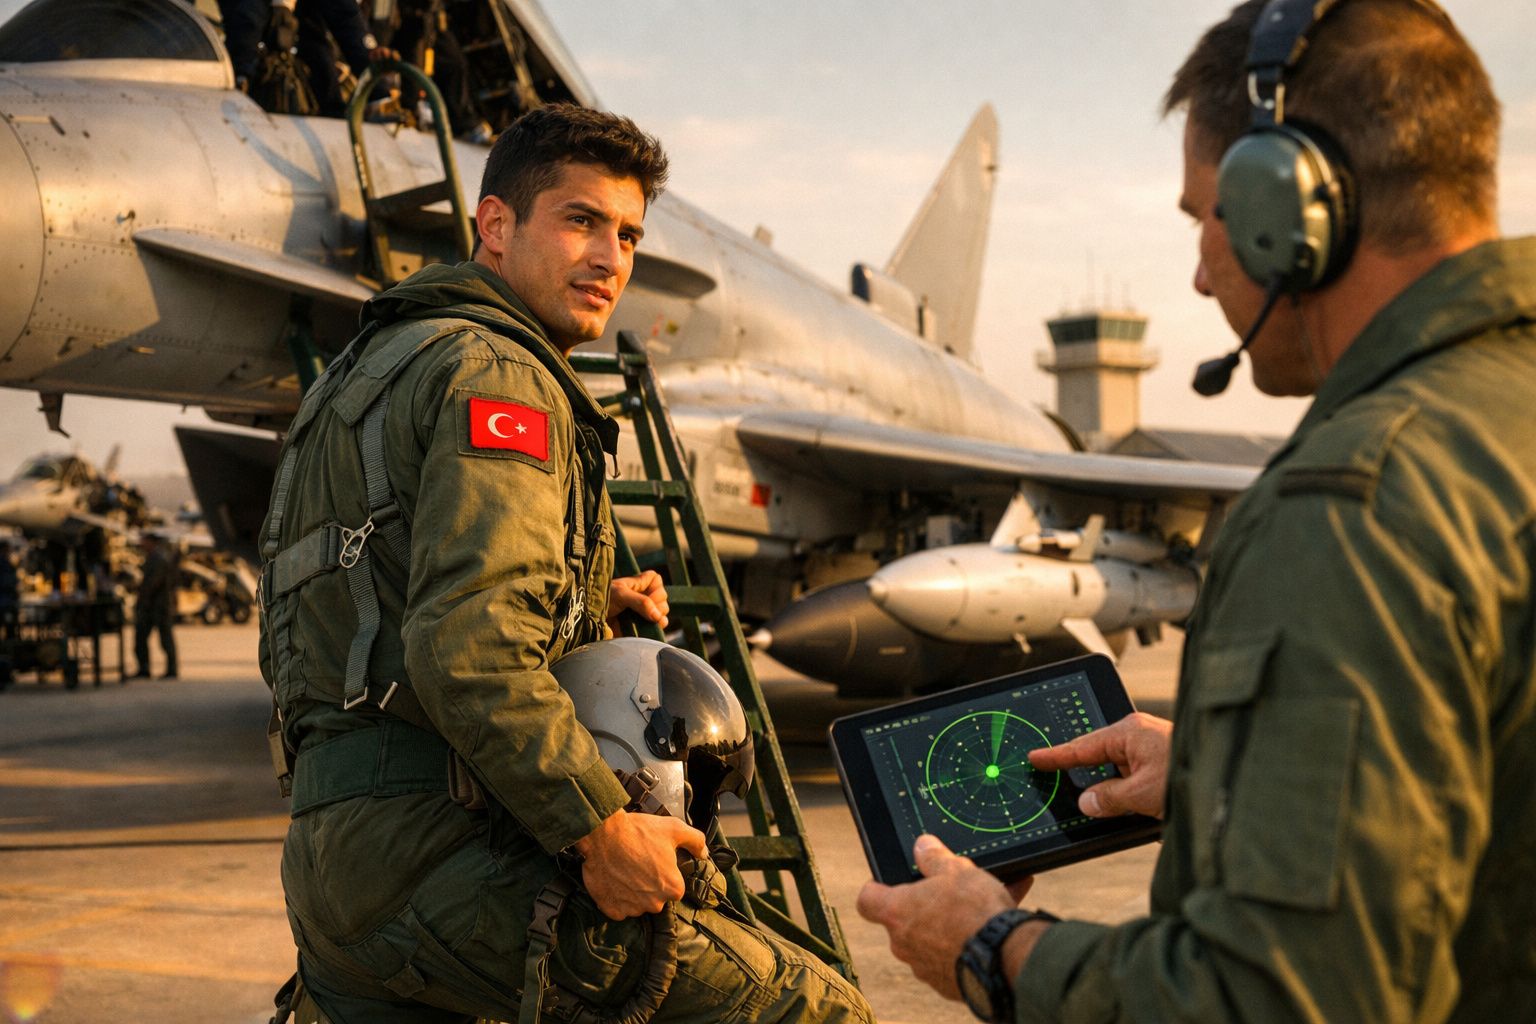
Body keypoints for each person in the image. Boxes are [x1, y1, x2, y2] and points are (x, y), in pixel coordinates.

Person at [856, 1, 1536, 1022]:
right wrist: (1229, 774)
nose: (1199, 271)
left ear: (1288, 208)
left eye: (1203, 219)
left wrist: (993, 946)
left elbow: (1277, 998)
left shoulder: (1351, 503)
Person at [259, 103, 871, 1023]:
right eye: (580, 221)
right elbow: (469, 649)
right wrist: (599, 830)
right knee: (818, 1010)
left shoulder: (356, 375)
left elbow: (363, 605)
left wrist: (585, 597)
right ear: (496, 227)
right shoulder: (499, 375)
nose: (611, 258)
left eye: (627, 234)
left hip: (330, 857)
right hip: (446, 855)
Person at [132, 532, 178, 680]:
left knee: (165, 639)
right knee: (141, 637)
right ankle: (144, 669)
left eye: (144, 541)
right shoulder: (154, 557)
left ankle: (171, 670)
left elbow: (154, 583)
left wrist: (143, 597)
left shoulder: (159, 558)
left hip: (159, 605)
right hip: (151, 605)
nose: (142, 545)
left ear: (151, 542)